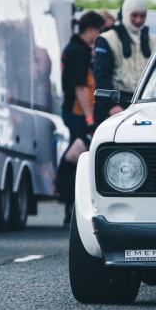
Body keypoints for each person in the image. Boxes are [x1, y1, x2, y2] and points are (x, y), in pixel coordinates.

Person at [58, 11, 105, 224]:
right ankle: (72, 204)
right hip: (78, 113)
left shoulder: (75, 47)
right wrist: (89, 119)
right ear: (92, 29)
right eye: (100, 31)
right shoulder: (78, 51)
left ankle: (72, 205)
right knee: (78, 158)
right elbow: (80, 87)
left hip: (75, 112)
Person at [93, 0, 156, 119]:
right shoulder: (107, 39)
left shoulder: (155, 41)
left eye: (142, 16)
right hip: (116, 105)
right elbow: (101, 76)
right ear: (126, 13)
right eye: (134, 15)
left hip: (146, 105)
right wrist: (111, 106)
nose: (138, 20)